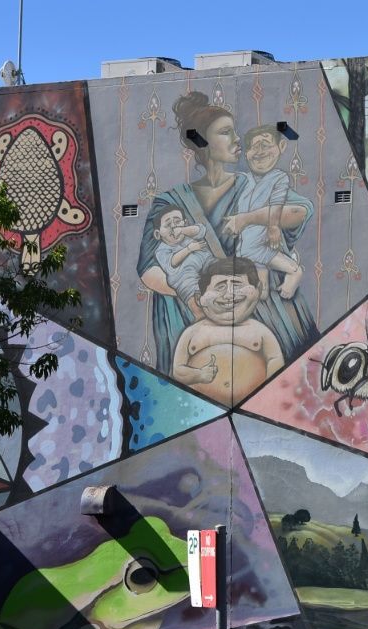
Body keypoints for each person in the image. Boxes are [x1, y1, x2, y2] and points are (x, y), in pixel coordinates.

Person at [136, 92, 317, 374]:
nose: (237, 140)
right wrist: (207, 300)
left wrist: (250, 218)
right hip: (193, 316)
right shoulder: (169, 202)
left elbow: (299, 212)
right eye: (225, 132)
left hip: (264, 314)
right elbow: (149, 270)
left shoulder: (252, 184)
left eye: (235, 132)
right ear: (201, 141)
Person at [173, 256, 284, 406]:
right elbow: (178, 371)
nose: (229, 294)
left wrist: (267, 394)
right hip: (200, 409)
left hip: (252, 407)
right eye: (220, 286)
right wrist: (198, 374)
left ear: (257, 290)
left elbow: (275, 361)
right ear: (200, 297)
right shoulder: (192, 333)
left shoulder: (260, 332)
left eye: (237, 285)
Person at [231, 126, 303, 300]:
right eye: (254, 147)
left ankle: (295, 271)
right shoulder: (244, 179)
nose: (260, 151)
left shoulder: (279, 177)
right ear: (246, 153)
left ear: (281, 147)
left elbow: (277, 203)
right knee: (261, 289)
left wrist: (273, 227)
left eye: (265, 145)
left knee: (253, 252)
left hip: (258, 237)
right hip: (247, 236)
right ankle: (260, 291)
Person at [152, 205, 213, 318]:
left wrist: (183, 230)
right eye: (168, 225)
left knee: (219, 269)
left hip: (206, 261)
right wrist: (189, 249)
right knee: (195, 301)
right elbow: (172, 263)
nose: (174, 227)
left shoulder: (188, 233)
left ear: (185, 222)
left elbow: (201, 229)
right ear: (157, 233)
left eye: (177, 221)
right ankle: (201, 317)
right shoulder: (161, 250)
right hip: (183, 276)